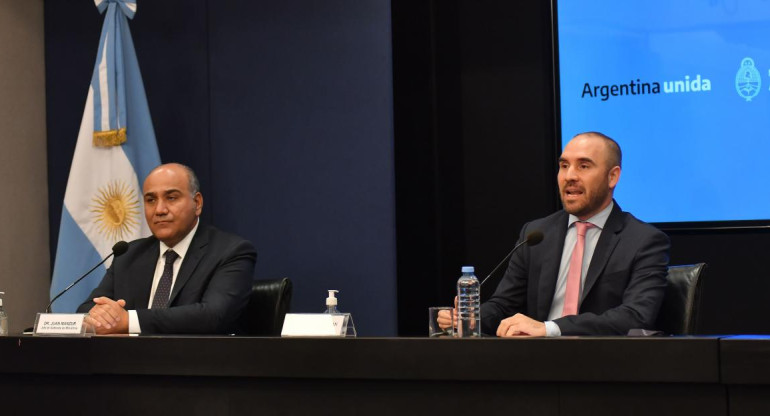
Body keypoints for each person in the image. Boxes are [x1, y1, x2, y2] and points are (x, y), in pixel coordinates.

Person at [440, 132, 669, 336]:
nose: (569, 176)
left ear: (612, 177)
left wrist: (550, 329)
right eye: (564, 165)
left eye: (584, 166)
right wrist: (471, 318)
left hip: (605, 367)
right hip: (535, 364)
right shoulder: (536, 234)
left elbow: (636, 316)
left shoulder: (643, 241)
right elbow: (504, 305)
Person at [77, 163, 257, 334]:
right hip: (130, 363)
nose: (159, 210)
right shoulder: (129, 254)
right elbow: (86, 310)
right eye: (150, 200)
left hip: (198, 363)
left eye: (171, 198)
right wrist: (102, 317)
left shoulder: (230, 251)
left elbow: (213, 315)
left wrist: (129, 321)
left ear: (197, 203)